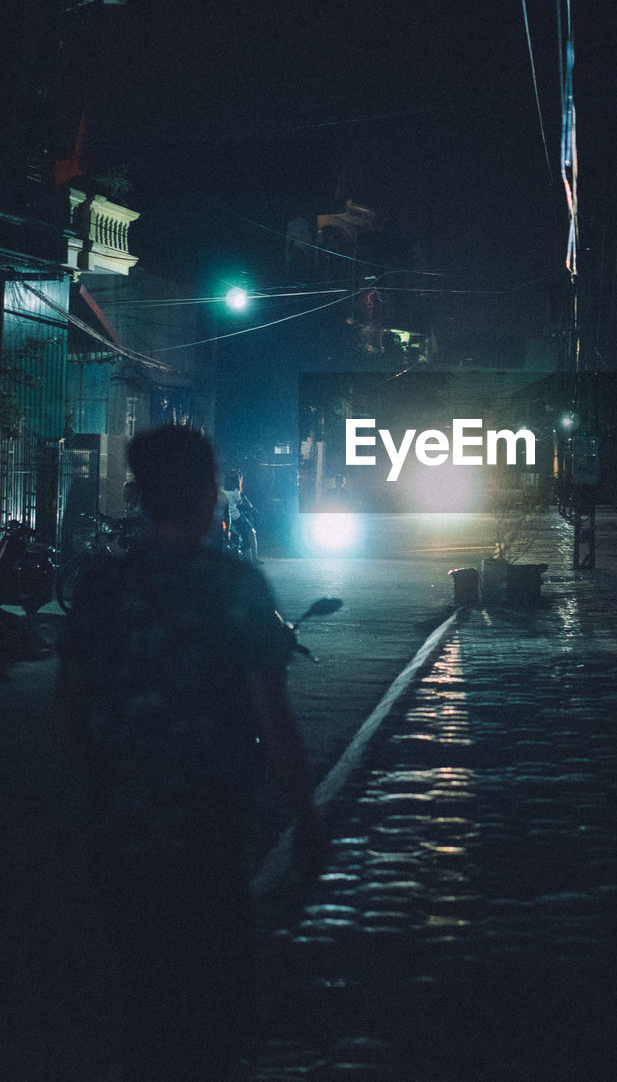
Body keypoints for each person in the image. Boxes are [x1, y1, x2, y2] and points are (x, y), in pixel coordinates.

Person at [56, 425, 326, 1082]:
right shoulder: (234, 585)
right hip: (209, 823)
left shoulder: (100, 585)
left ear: (142, 497)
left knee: (143, 987)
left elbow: (70, 706)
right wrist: (306, 816)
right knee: (215, 992)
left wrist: (93, 792)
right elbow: (274, 715)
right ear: (208, 495)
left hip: (120, 824)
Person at [223, 469, 261, 562]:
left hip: (224, 516)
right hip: (235, 516)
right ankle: (253, 558)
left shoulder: (221, 490)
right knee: (249, 533)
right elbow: (240, 502)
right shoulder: (235, 491)